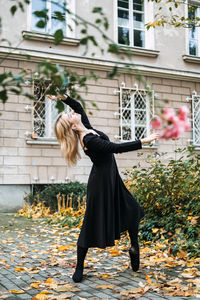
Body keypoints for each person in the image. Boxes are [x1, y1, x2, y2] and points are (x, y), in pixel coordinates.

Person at [48, 94, 159, 283]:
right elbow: (116, 148)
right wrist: (144, 141)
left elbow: (77, 105)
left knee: (132, 209)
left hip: (111, 179)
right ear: (73, 126)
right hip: (100, 185)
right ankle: (79, 267)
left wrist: (61, 96)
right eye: (70, 115)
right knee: (90, 224)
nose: (72, 112)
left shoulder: (87, 128)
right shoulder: (88, 139)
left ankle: (134, 247)